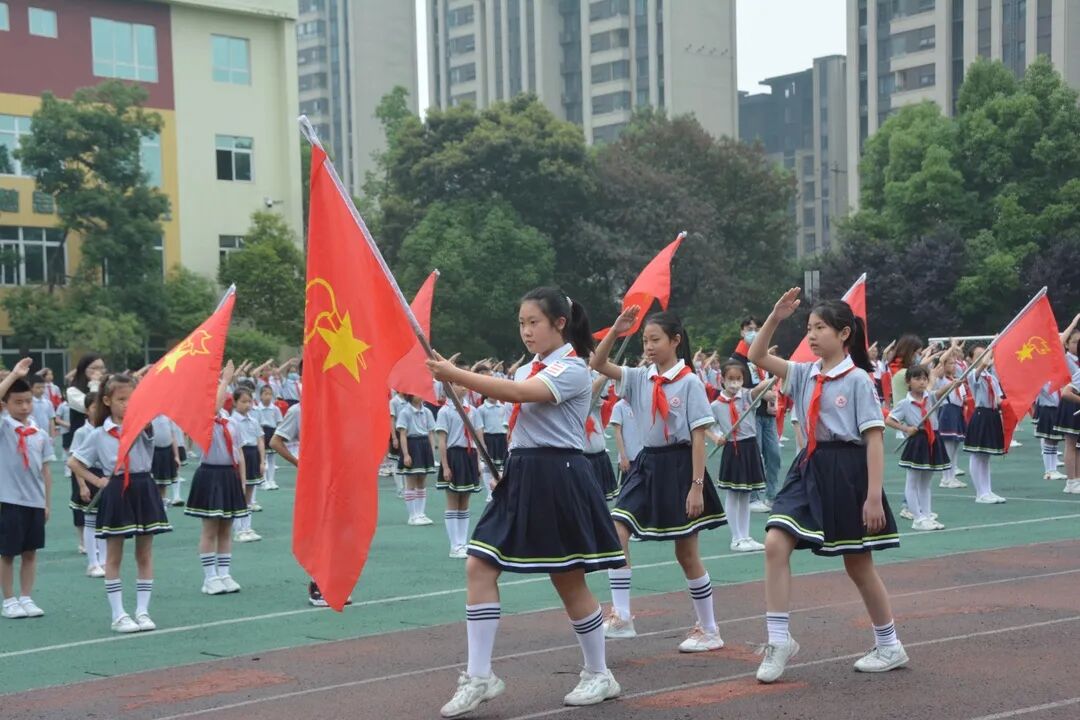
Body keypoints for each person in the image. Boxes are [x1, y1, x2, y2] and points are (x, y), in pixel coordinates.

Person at [426, 288, 625, 717]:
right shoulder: (530, 367)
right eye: (521, 323)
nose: (526, 331)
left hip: (559, 477)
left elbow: (518, 395)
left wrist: (456, 374)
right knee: (479, 564)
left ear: (559, 323)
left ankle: (599, 673)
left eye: (534, 322)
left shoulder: (572, 368)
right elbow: (517, 405)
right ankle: (479, 675)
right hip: (521, 474)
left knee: (568, 579)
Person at [748, 288, 906, 684]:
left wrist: (873, 497)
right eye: (809, 328)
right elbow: (757, 355)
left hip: (848, 471)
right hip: (809, 466)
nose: (812, 335)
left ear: (844, 333)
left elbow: (874, 438)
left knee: (858, 563)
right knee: (774, 542)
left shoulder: (858, 381)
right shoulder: (804, 373)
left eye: (820, 328)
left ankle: (889, 645)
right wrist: (775, 317)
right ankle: (779, 640)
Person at [592, 308, 726, 652]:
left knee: (686, 553)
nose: (648, 346)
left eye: (655, 340)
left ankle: (709, 628)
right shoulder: (639, 377)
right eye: (644, 340)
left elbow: (698, 436)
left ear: (675, 340)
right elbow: (599, 363)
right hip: (647, 464)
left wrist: (697, 487)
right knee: (616, 529)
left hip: (681, 467)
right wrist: (616, 331)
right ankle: (622, 616)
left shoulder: (690, 382)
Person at [69, 373, 171, 633]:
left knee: (144, 553)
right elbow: (74, 462)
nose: (127, 404)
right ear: (107, 400)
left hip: (144, 487)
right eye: (121, 399)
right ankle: (118, 615)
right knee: (113, 555)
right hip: (117, 490)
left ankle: (143, 611)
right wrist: (98, 481)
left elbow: (157, 433)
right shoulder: (98, 434)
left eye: (132, 399)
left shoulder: (143, 426)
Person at [184, 362, 248, 595]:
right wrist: (226, 379)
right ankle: (209, 577)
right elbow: (213, 409)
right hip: (210, 475)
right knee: (210, 528)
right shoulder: (203, 415)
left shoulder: (231, 421)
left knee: (226, 528)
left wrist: (241, 482)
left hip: (229, 475)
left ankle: (224, 574)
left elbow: (239, 452)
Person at [0, 359, 53, 619]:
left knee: (30, 552)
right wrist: (13, 376)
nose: (24, 407)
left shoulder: (39, 433)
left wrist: (46, 503)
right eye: (17, 402)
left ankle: (26, 597)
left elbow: (46, 471)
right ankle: (9, 599)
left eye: (28, 401)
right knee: (8, 553)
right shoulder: (4, 427)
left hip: (34, 501)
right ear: (6, 405)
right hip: (8, 500)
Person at [708, 360, 770, 552]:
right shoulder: (716, 405)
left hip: (750, 447)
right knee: (734, 494)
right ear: (722, 380)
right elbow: (706, 427)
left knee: (746, 495)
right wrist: (716, 437)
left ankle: (746, 536)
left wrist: (775, 373)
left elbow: (760, 387)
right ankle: (736, 538)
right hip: (733, 449)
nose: (735, 383)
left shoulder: (747, 397)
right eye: (731, 379)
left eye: (739, 379)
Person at [885, 364, 952, 530]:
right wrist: (906, 428)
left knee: (926, 483)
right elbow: (889, 420)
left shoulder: (930, 398)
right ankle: (917, 518)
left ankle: (927, 515)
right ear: (908, 381)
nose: (922, 382)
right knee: (913, 481)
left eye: (924, 379)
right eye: (917, 379)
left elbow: (940, 392)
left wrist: (953, 384)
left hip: (932, 439)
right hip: (917, 441)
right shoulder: (905, 403)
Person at [730, 317, 780, 513]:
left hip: (767, 414)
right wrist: (759, 393)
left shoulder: (762, 356)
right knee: (754, 456)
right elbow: (734, 387)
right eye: (749, 329)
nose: (754, 332)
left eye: (757, 329)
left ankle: (771, 496)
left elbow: (770, 381)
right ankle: (752, 497)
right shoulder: (737, 360)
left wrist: (771, 397)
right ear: (742, 332)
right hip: (749, 415)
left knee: (774, 456)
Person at [435, 373, 483, 559]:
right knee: (453, 500)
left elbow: (477, 438)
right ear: (449, 387)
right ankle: (454, 545)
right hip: (454, 455)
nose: (463, 387)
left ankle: (463, 542)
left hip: (469, 455)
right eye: (458, 384)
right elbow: (442, 441)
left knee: (465, 501)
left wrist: (478, 463)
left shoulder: (472, 410)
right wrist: (445, 466)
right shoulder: (445, 411)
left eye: (464, 384)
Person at [962, 347, 1007, 504]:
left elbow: (999, 399)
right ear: (970, 359)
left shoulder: (991, 377)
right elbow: (980, 369)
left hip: (992, 415)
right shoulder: (972, 374)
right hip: (981, 414)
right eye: (979, 355)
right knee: (977, 454)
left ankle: (987, 490)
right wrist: (989, 355)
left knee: (986, 456)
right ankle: (980, 493)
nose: (983, 357)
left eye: (985, 354)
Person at [69, 392, 106, 578]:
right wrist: (82, 485)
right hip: (88, 475)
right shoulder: (82, 432)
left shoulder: (106, 429)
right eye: (94, 407)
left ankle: (104, 561)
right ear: (86, 411)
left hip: (105, 477)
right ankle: (92, 563)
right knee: (90, 521)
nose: (98, 411)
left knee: (105, 522)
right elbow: (75, 460)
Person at [231, 385, 266, 542]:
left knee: (249, 495)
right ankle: (238, 529)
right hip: (239, 456)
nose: (247, 405)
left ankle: (247, 527)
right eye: (243, 401)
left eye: (249, 401)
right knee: (239, 493)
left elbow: (260, 440)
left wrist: (262, 461)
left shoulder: (253, 420)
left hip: (252, 456)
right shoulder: (232, 421)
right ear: (235, 402)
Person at [397, 394, 437, 526]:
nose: (420, 395)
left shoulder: (427, 412)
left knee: (422, 481)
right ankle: (412, 515)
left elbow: (431, 432)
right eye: (416, 393)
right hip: (412, 445)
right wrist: (406, 454)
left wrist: (432, 450)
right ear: (410, 395)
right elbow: (403, 434)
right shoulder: (405, 412)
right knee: (411, 481)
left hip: (424, 445)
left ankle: (421, 513)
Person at [935, 346, 969, 489]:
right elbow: (941, 361)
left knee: (955, 448)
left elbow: (963, 399)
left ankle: (952, 477)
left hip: (957, 412)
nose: (953, 366)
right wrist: (952, 347)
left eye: (955, 363)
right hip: (947, 411)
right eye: (950, 363)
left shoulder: (956, 379)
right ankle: (945, 478)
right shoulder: (942, 379)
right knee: (948, 448)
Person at [1055, 327, 1080, 493]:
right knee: (1071, 443)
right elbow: (1058, 345)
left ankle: (1077, 479)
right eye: (1075, 342)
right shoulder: (1066, 359)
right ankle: (1071, 481)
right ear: (1067, 344)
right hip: (1071, 402)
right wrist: (1073, 323)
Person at [251, 384, 283, 491]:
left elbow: (279, 422)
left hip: (272, 433)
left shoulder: (275, 409)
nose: (268, 396)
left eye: (270, 394)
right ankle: (263, 480)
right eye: (265, 394)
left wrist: (279, 436)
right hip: (261, 433)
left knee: (272, 458)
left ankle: (271, 480)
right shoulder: (257, 409)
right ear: (260, 396)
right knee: (262, 459)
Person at [608, 396, 641, 496]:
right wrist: (623, 457)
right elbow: (617, 432)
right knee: (626, 493)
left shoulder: (642, 403)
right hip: (628, 459)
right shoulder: (619, 406)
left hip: (643, 457)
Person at [149, 415, 181, 503]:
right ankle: (154, 501)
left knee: (163, 481)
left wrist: (176, 456)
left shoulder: (168, 417)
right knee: (153, 481)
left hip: (167, 451)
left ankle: (163, 501)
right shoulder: (149, 418)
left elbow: (173, 437)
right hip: (153, 452)